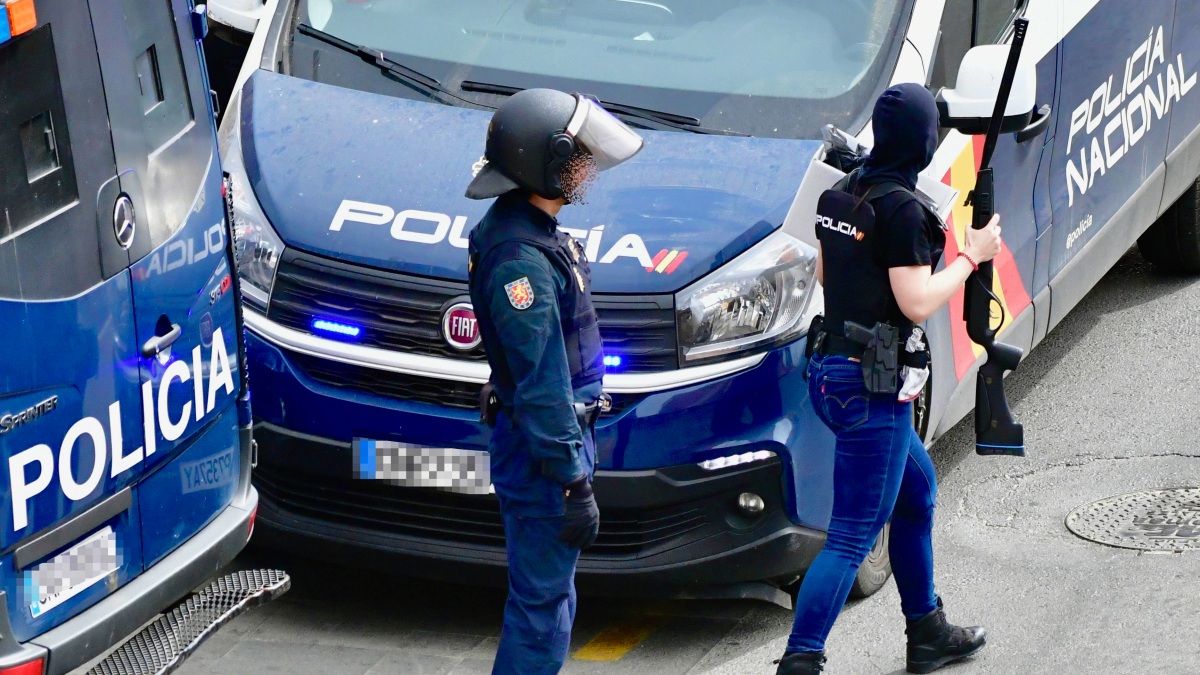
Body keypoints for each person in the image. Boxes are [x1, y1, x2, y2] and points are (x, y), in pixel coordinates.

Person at [775, 83, 1003, 675]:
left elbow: (826, 273)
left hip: (832, 372)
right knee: (852, 535)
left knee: (917, 492)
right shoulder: (903, 210)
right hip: (872, 387)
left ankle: (927, 631)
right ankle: (800, 661)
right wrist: (971, 255)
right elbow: (916, 301)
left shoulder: (841, 191)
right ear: (923, 142)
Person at [464, 88, 644, 675]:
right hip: (545, 456)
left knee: (552, 601)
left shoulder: (531, 232)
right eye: (578, 157)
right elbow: (542, 385)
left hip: (549, 443)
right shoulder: (521, 260)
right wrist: (571, 480)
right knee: (541, 608)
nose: (588, 168)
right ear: (546, 163)